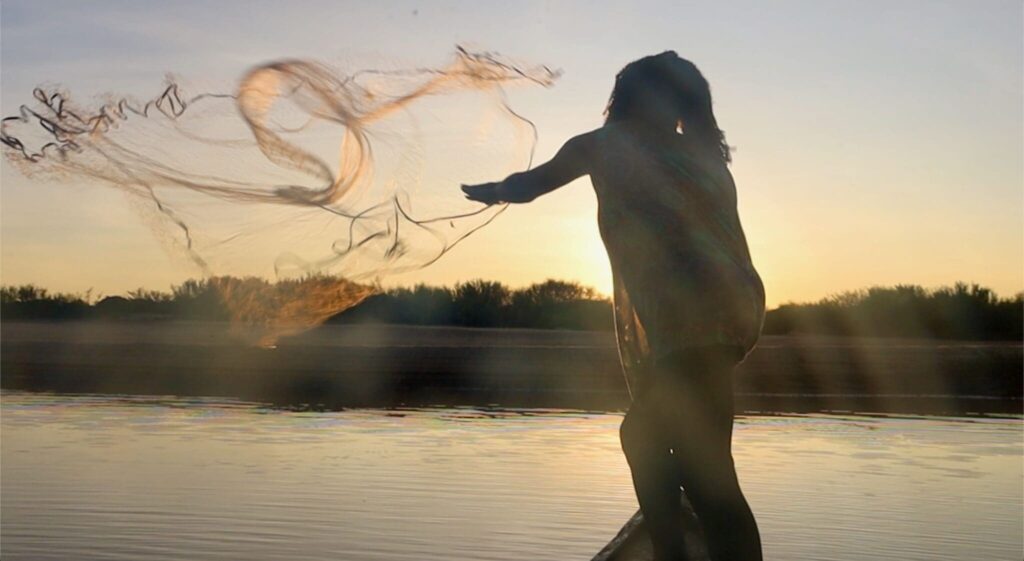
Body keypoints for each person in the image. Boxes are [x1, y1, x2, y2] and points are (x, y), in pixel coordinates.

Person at [462, 51, 765, 561]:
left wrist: (494, 190)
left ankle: (672, 552)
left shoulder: (605, 147)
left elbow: (532, 186)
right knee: (705, 466)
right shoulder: (702, 157)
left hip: (698, 320)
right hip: (726, 315)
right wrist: (500, 190)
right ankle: (677, 550)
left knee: (649, 440)